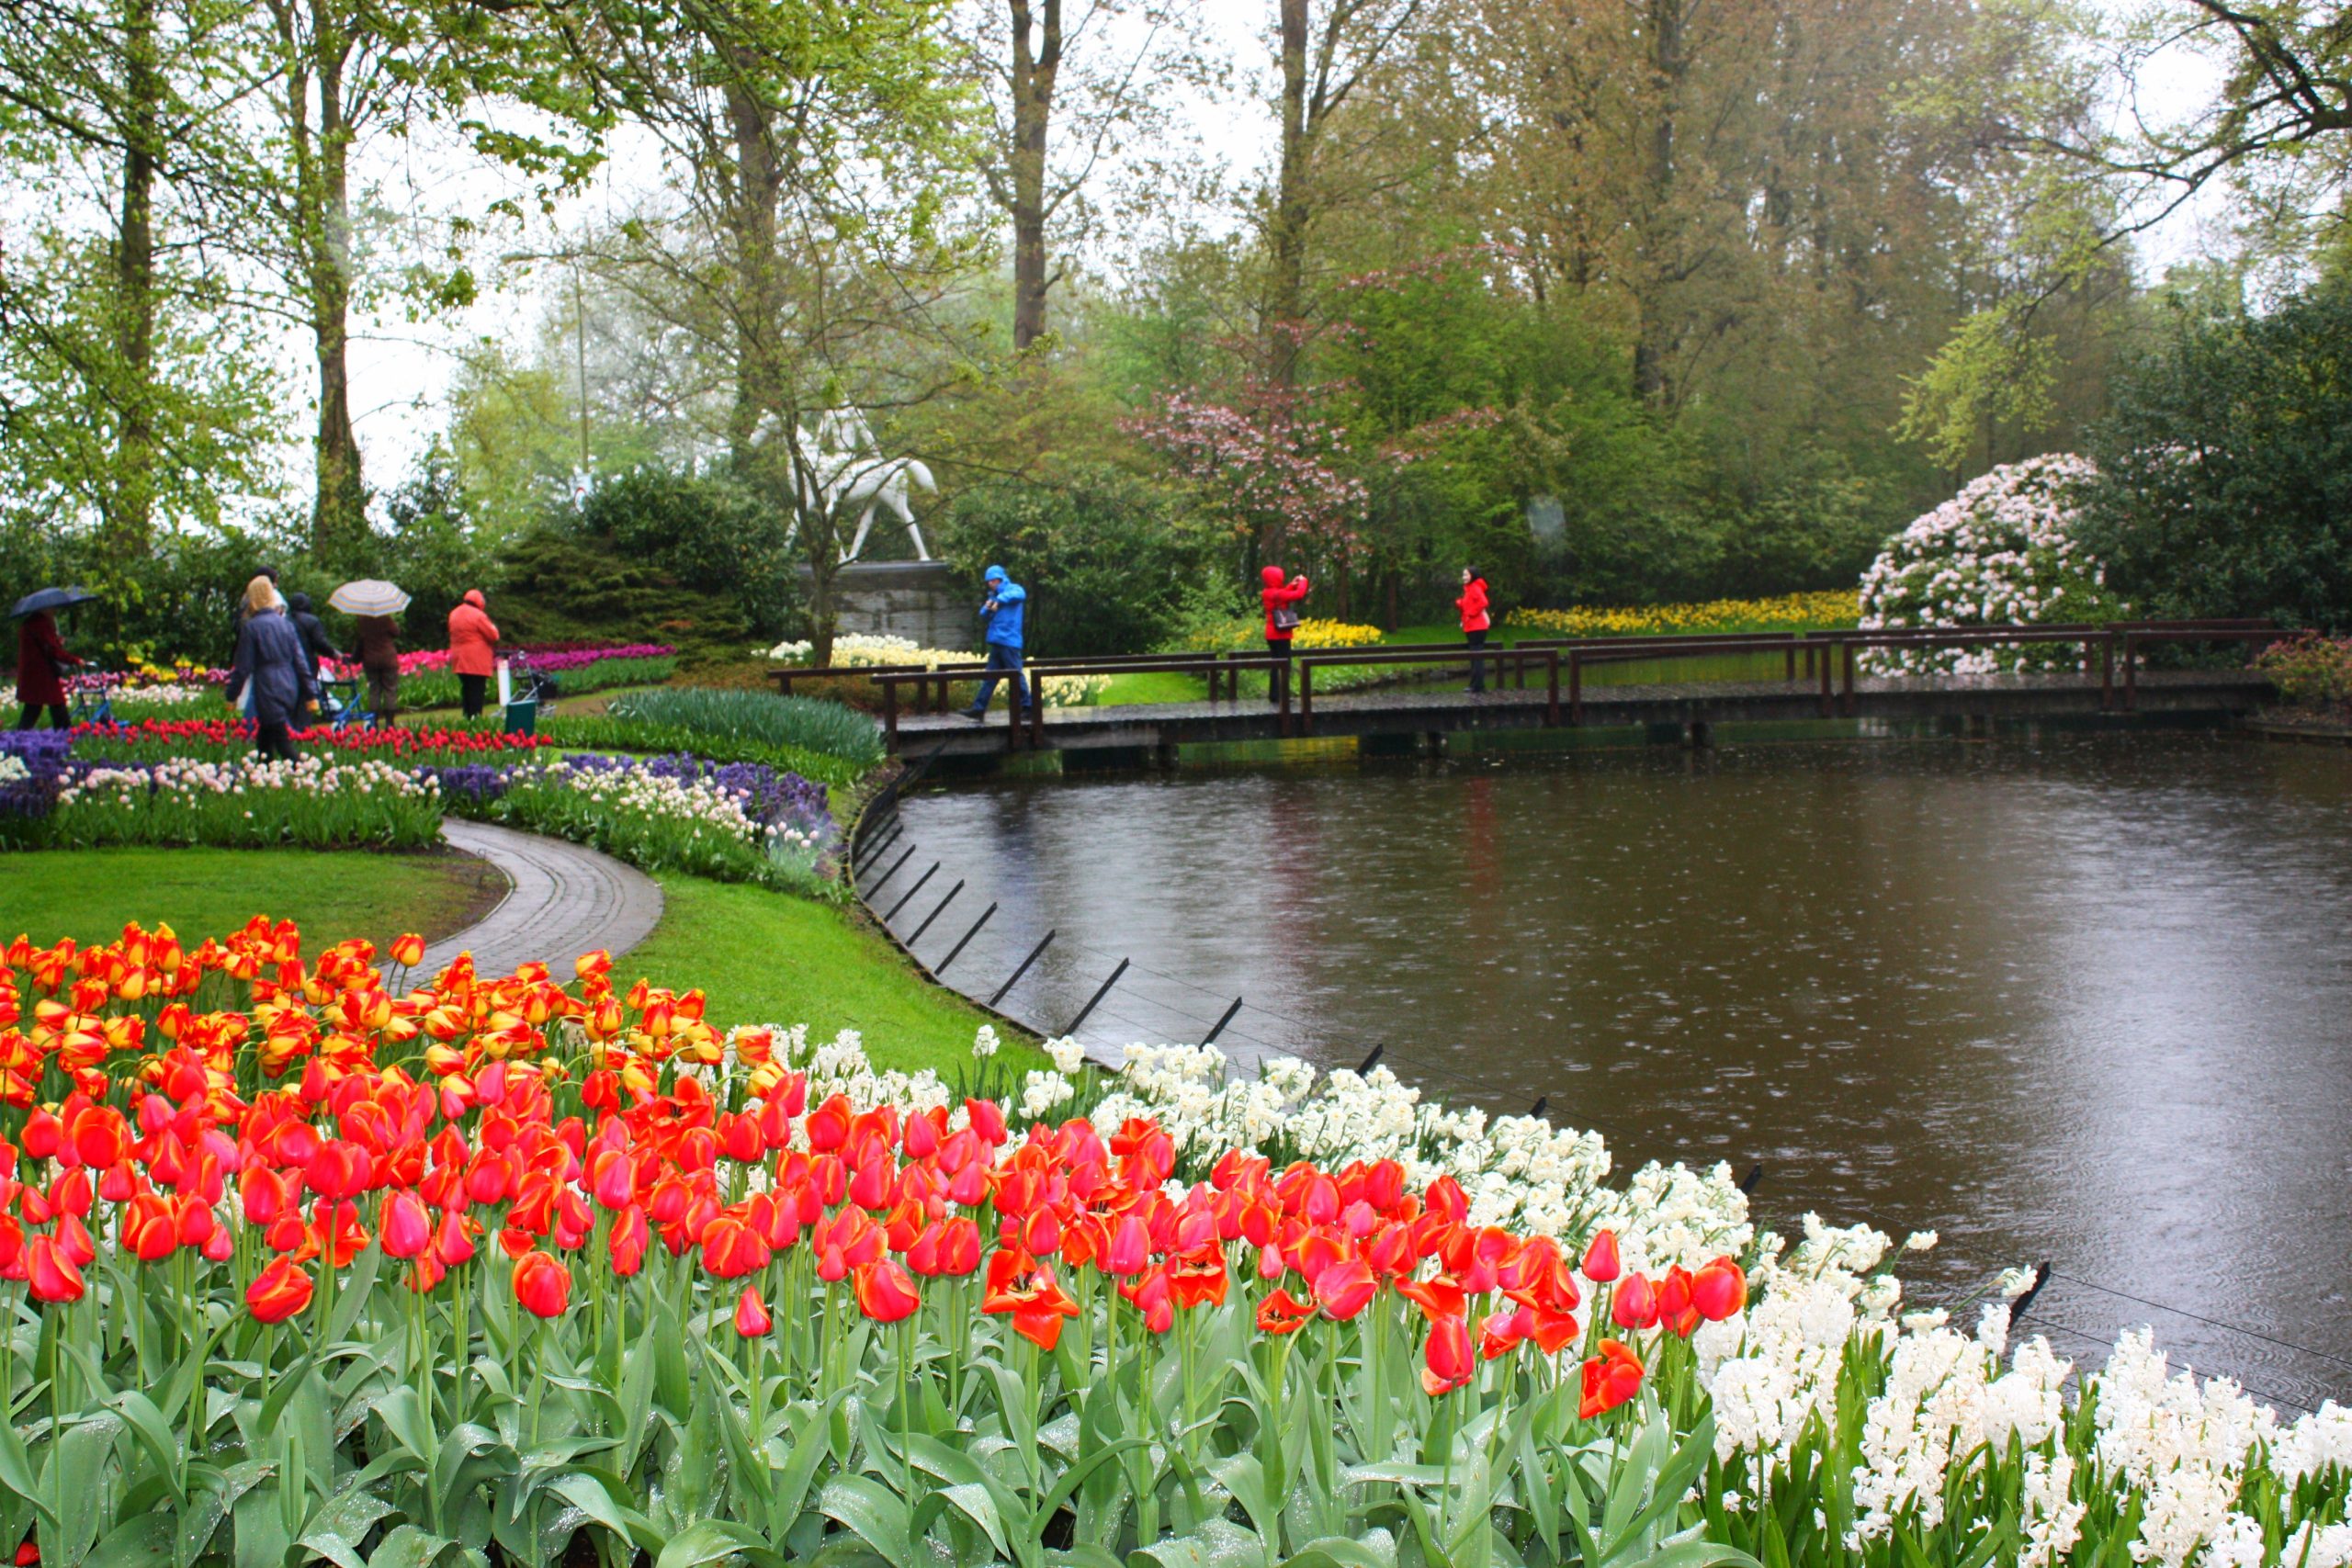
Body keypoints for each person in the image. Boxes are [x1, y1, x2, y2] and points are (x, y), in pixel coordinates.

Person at [225, 577, 318, 760]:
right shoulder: (287, 625)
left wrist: (231, 695)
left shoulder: (251, 628)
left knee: (283, 743)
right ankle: (263, 773)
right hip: (289, 685)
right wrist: (310, 694)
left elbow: (242, 668)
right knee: (265, 739)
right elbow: (300, 662)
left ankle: (305, 774)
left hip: (267, 688)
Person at [961, 564, 1029, 720]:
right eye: (988, 582)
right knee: (990, 677)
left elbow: (1021, 594)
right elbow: (983, 615)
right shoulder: (993, 596)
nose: (990, 584)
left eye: (992, 580)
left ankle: (1028, 707)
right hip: (997, 641)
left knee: (1016, 675)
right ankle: (979, 708)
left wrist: (999, 599)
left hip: (1009, 641)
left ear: (1000, 579)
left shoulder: (1013, 589)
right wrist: (987, 607)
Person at [13, 608, 81, 730]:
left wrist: (56, 641)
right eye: (52, 609)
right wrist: (75, 660)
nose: (54, 611)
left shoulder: (29, 623)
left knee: (34, 707)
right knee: (56, 705)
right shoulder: (41, 624)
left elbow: (47, 646)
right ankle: (65, 735)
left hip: (32, 674)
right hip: (43, 674)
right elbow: (53, 650)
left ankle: (20, 737)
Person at [229, 565, 280, 717]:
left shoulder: (246, 600)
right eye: (274, 581)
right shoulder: (282, 624)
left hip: (261, 667)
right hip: (274, 673)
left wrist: (231, 694)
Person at [1260, 564, 1310, 705]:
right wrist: (1303, 582)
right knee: (1285, 665)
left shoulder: (1267, 592)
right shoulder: (1277, 593)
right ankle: (1282, 695)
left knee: (1276, 664)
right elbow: (1298, 595)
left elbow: (1280, 596)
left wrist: (1291, 585)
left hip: (1271, 633)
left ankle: (1275, 695)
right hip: (1280, 634)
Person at [447, 589, 500, 720]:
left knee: (466, 689)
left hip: (459, 659)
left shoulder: (454, 613)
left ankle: (467, 716)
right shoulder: (478, 616)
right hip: (476, 660)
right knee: (477, 690)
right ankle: (476, 718)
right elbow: (493, 636)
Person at [283, 592, 345, 686]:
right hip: (307, 663)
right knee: (308, 692)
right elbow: (320, 643)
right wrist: (333, 653)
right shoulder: (312, 621)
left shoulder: (283, 621)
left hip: (287, 663)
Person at [354, 613, 401, 726]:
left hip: (370, 659)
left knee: (374, 691)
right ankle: (390, 723)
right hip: (388, 659)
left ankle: (373, 722)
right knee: (390, 690)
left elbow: (361, 639)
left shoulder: (362, 619)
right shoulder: (385, 618)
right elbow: (397, 633)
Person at [1457, 565, 1492, 694]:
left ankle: (1477, 685)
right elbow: (1470, 603)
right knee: (1476, 656)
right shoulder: (1470, 588)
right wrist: (1460, 603)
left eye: (1466, 575)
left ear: (1473, 575)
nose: (1464, 577)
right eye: (1463, 575)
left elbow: (1483, 602)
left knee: (1476, 656)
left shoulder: (1475, 587)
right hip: (1472, 626)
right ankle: (1476, 684)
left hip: (1477, 626)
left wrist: (1471, 613)